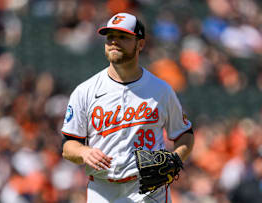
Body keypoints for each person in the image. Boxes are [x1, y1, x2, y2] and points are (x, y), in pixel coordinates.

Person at [61, 12, 194, 203]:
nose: (114, 42)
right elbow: (68, 146)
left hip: (148, 189)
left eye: (123, 37)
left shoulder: (161, 90)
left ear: (140, 44)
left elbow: (185, 134)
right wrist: (84, 152)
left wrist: (176, 159)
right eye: (110, 37)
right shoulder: (85, 91)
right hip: (102, 189)